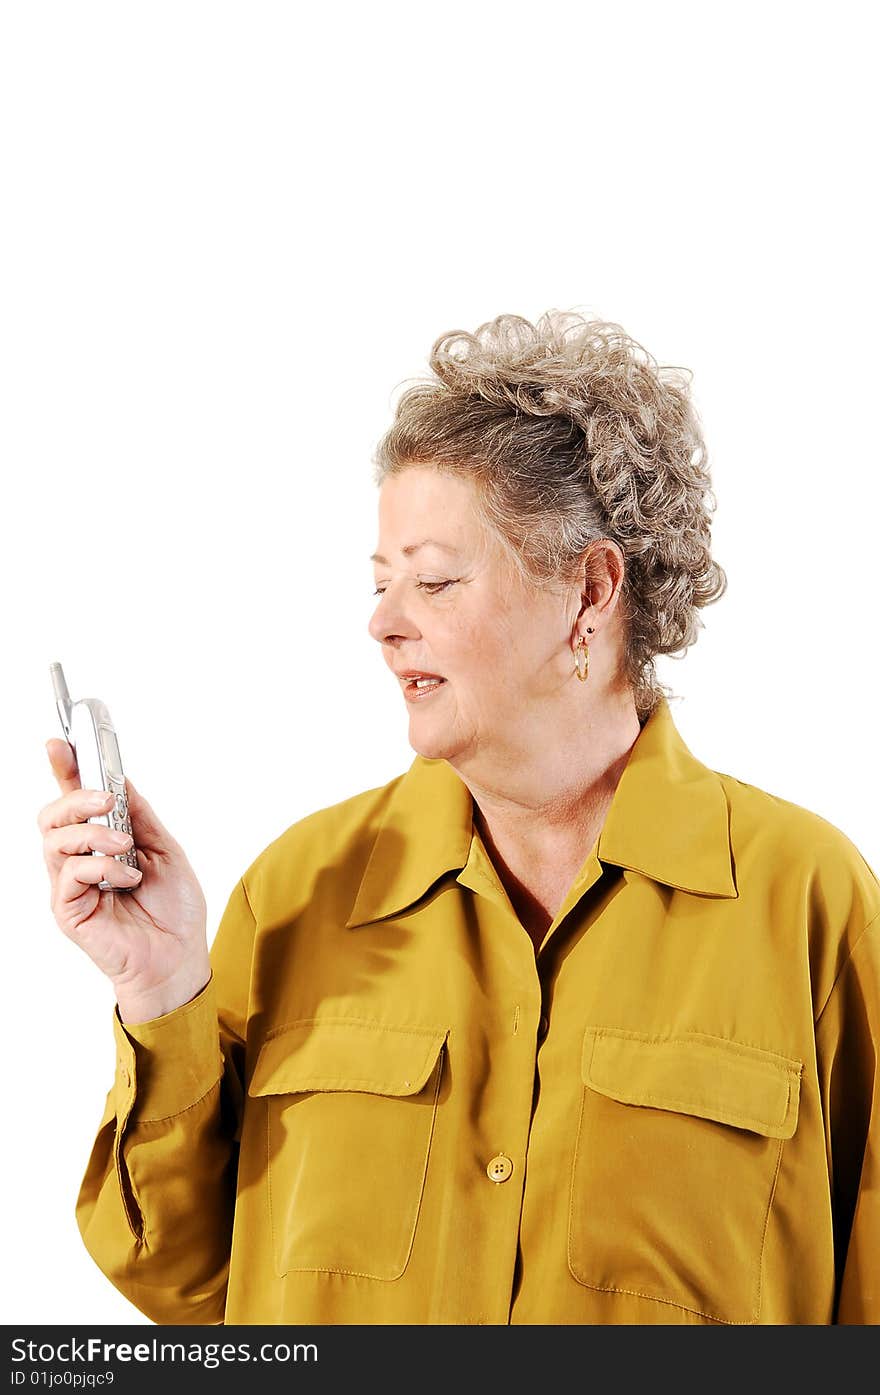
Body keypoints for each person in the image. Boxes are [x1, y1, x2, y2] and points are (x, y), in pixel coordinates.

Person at [39, 311, 879, 1326]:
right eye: (382, 582)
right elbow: (184, 1280)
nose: (384, 622)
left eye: (434, 580)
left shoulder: (809, 903)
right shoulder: (301, 891)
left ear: (590, 589)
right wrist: (160, 984)